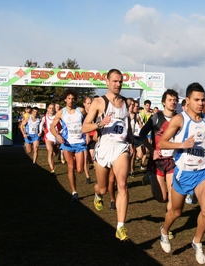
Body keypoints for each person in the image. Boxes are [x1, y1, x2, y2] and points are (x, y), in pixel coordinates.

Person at [158, 82, 205, 264]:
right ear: (187, 100)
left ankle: (197, 242)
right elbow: (162, 143)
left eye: (202, 100)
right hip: (183, 173)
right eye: (196, 100)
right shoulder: (179, 119)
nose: (200, 103)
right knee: (176, 212)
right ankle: (164, 232)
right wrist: (182, 145)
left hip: (202, 172)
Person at [82, 69, 133, 241]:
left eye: (120, 81)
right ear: (107, 82)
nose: (118, 84)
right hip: (103, 148)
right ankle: (98, 193)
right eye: (115, 81)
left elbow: (128, 125)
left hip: (120, 148)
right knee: (103, 187)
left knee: (122, 184)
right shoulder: (98, 102)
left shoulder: (126, 103)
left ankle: (120, 226)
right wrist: (99, 123)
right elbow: (84, 127)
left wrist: (131, 141)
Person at [139, 89, 178, 237]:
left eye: (175, 100)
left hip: (173, 161)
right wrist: (151, 149)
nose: (173, 102)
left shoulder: (180, 118)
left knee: (173, 197)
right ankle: (150, 178)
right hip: (158, 161)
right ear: (163, 102)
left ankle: (166, 227)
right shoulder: (156, 118)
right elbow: (142, 134)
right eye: (170, 100)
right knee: (161, 197)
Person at [50, 89, 87, 202]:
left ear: (75, 100)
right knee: (70, 167)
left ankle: (75, 158)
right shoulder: (61, 112)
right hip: (67, 143)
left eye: (73, 98)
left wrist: (88, 133)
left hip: (80, 142)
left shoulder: (81, 110)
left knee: (80, 169)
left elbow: (88, 122)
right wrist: (58, 136)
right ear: (65, 100)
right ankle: (74, 192)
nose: (71, 101)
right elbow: (52, 127)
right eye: (69, 98)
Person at [39, 103, 61, 175]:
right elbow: (41, 124)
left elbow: (63, 125)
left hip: (56, 136)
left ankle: (56, 151)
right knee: (50, 151)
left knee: (55, 153)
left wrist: (60, 131)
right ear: (47, 109)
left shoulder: (57, 117)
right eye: (50, 108)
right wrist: (40, 131)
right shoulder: (45, 117)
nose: (51, 110)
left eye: (53, 108)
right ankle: (52, 169)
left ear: (54, 109)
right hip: (48, 136)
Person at [129, 100, 144, 177]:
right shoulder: (126, 115)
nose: (137, 107)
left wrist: (141, 124)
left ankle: (129, 168)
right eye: (135, 106)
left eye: (138, 106)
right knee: (132, 155)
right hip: (128, 138)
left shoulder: (137, 115)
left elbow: (140, 123)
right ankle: (132, 171)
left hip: (135, 136)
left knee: (140, 155)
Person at [83, 96, 93, 184]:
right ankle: (87, 177)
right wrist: (87, 134)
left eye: (91, 103)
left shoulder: (94, 113)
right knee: (85, 158)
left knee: (92, 157)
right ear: (84, 104)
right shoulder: (82, 114)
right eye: (88, 103)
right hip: (83, 138)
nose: (90, 105)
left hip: (94, 138)